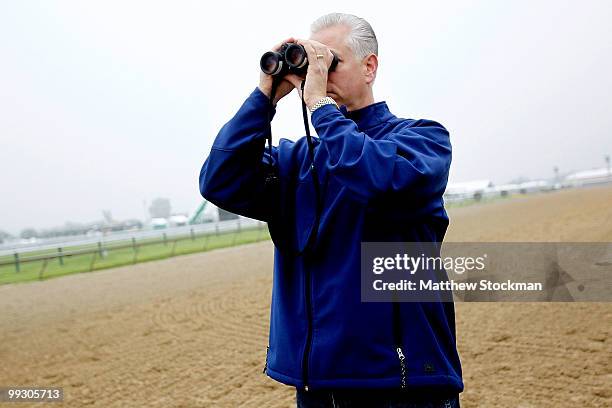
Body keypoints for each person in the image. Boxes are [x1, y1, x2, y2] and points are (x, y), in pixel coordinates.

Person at [199, 12, 463, 408]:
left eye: (330, 62)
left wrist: (321, 108)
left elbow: (377, 176)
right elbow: (219, 180)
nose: (318, 74)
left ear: (369, 66)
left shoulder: (423, 140)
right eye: (313, 62)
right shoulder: (295, 161)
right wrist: (263, 98)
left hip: (403, 385)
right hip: (318, 388)